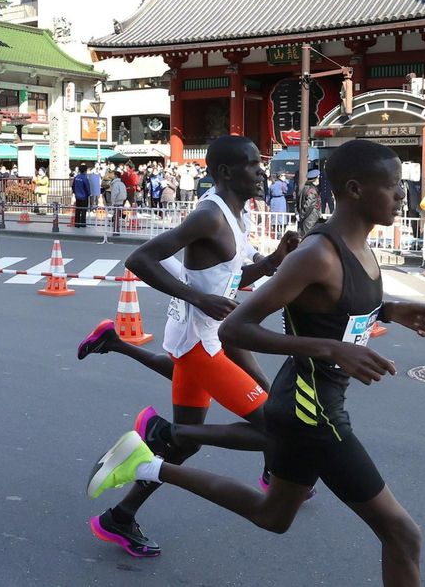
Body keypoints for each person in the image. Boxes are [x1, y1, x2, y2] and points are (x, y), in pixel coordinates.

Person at [87, 140, 425, 585]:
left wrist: (389, 310)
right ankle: (163, 436)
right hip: (311, 412)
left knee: (272, 515)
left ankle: (147, 464)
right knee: (403, 534)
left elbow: (334, 309)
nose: (402, 196)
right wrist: (332, 350)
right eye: (392, 187)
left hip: (305, 403)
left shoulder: (360, 248)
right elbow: (237, 326)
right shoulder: (316, 252)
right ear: (354, 189)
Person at [77, 135, 299, 558]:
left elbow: (226, 278)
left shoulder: (240, 214)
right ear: (225, 173)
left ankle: (119, 518)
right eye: (252, 166)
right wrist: (198, 298)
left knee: (187, 445)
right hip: (201, 343)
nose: (261, 172)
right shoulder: (209, 217)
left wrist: (270, 263)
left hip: (205, 336)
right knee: (274, 429)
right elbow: (140, 259)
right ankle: (161, 430)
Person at [297, 168, 322, 236]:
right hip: (311, 219)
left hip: (307, 219)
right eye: (318, 178)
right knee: (309, 238)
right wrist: (302, 216)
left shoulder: (305, 187)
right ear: (315, 179)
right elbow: (308, 206)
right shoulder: (312, 191)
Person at [72, 164, 90, 228]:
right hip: (84, 196)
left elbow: (73, 186)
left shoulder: (76, 177)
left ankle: (76, 224)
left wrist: (75, 193)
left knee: (78, 210)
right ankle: (83, 224)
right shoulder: (85, 178)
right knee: (83, 210)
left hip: (77, 196)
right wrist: (89, 194)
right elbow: (87, 187)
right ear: (85, 170)